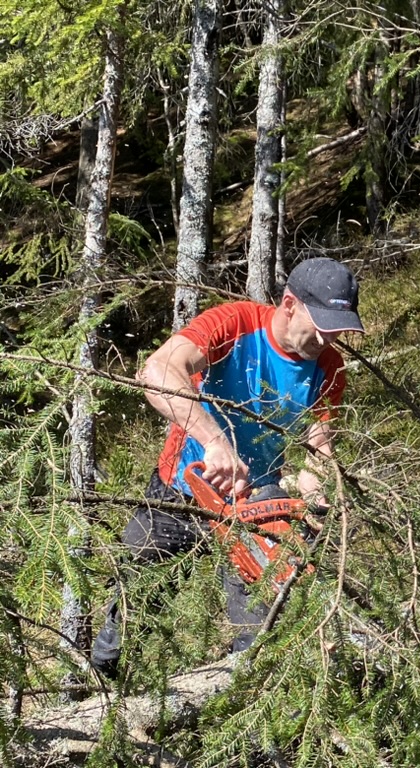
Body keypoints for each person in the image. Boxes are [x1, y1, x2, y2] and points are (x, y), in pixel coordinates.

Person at [91, 257, 364, 679]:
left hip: (254, 507)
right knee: (129, 610)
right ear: (289, 304)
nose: (330, 337)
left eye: (339, 325)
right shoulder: (236, 324)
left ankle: (248, 725)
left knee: (261, 624)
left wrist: (319, 494)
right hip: (180, 489)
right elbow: (159, 370)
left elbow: (319, 447)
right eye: (323, 323)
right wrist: (214, 441)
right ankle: (102, 690)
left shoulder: (328, 366)